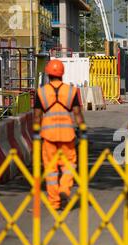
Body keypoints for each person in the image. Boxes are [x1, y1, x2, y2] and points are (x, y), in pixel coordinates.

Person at [33, 59, 85, 210]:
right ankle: (64, 189)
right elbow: (77, 113)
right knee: (69, 165)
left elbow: (37, 116)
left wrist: (36, 134)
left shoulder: (41, 92)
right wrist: (82, 130)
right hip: (67, 134)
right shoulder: (71, 91)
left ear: (48, 74)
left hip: (48, 135)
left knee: (50, 170)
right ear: (62, 74)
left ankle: (54, 202)